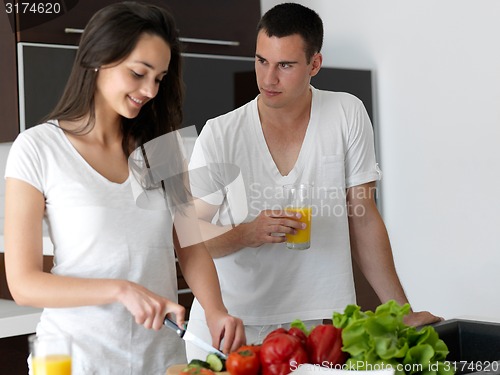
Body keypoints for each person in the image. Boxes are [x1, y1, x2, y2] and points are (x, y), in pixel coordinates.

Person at [185, 2, 441, 360]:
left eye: (285, 65)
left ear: (314, 64)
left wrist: (401, 313)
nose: (268, 78)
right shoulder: (220, 133)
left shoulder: (346, 113)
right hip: (228, 328)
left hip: (316, 328)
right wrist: (248, 233)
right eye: (261, 61)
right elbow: (190, 238)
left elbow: (363, 218)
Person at [3, 2, 245, 374]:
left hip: (160, 360)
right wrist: (120, 289)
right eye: (138, 73)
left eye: (159, 78)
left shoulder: (160, 149)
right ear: (99, 58)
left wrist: (215, 312)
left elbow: (191, 246)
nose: (149, 89)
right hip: (77, 360)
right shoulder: (37, 148)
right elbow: (24, 283)